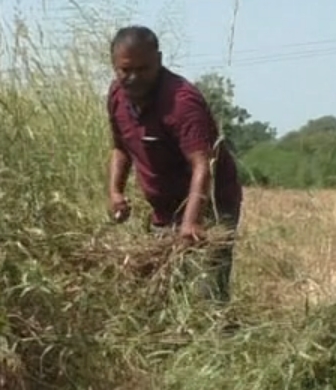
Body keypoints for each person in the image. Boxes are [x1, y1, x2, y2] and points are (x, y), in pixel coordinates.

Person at [104, 25, 244, 302]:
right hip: (165, 208)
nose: (133, 78)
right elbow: (121, 148)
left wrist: (191, 222)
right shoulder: (117, 97)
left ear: (158, 60)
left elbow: (202, 166)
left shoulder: (181, 102)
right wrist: (115, 192)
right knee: (161, 293)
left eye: (143, 69)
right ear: (114, 66)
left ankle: (217, 336)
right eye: (125, 70)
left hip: (210, 205)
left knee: (206, 294)